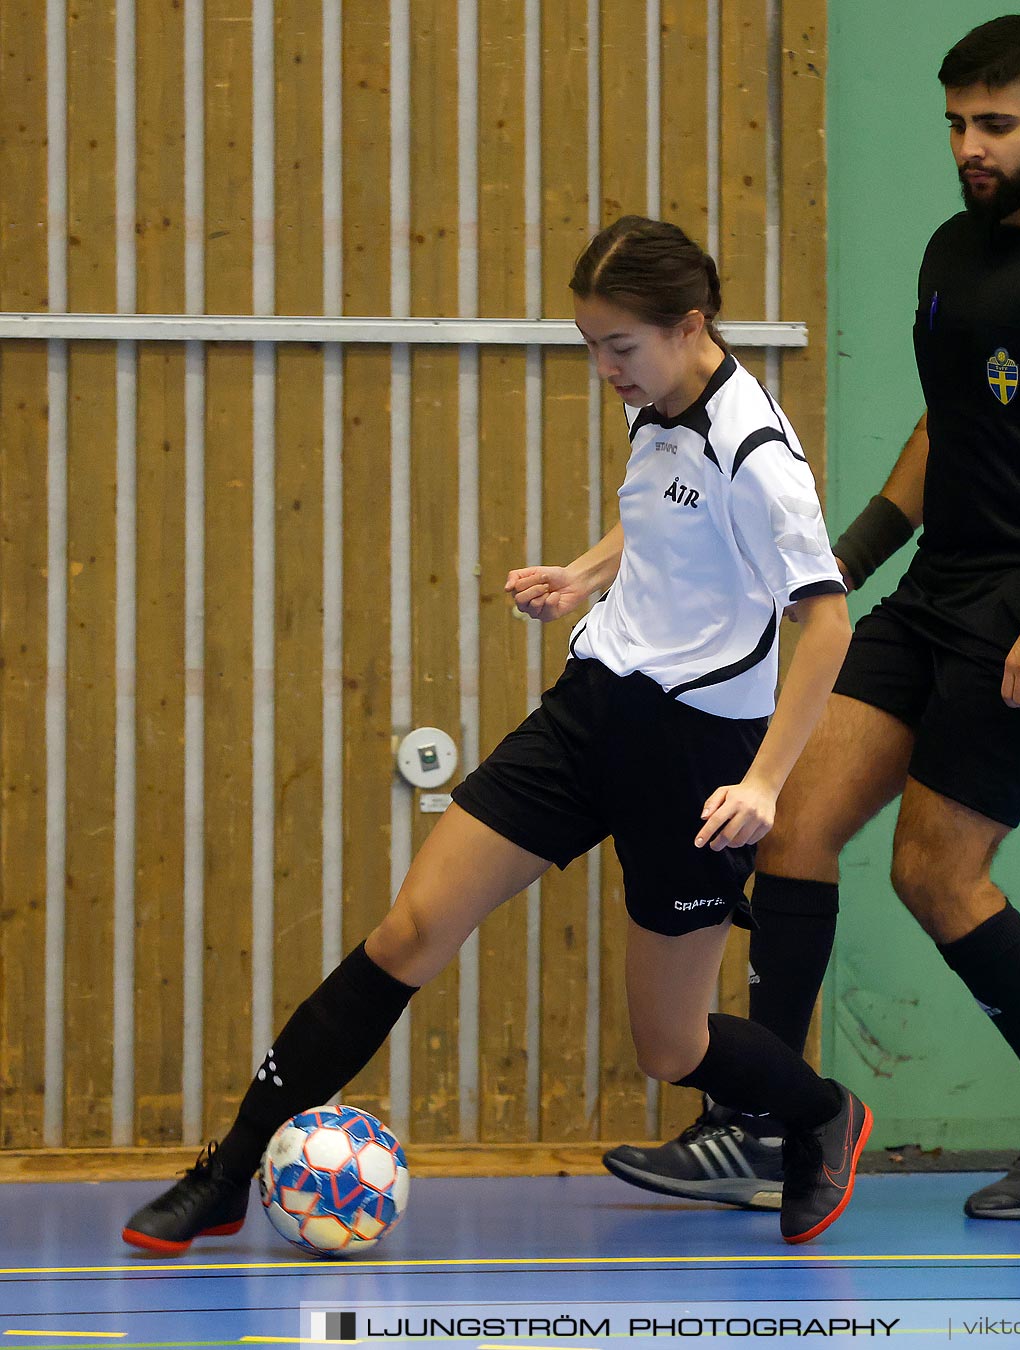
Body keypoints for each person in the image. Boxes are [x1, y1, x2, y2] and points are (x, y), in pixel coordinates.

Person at [121, 216, 870, 1251]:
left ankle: (823, 1114)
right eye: (590, 346)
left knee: (671, 1044)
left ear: (690, 324)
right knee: (408, 932)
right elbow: (662, 516)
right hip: (591, 713)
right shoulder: (658, 401)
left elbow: (825, 622)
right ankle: (224, 1173)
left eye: (620, 347)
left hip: (697, 761)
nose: (604, 369)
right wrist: (586, 574)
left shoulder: (759, 451)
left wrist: (769, 785)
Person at [604, 13, 1020, 1221]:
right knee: (789, 825)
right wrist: (833, 564)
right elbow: (943, 433)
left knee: (934, 870)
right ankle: (766, 1126)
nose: (971, 146)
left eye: (996, 124)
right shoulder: (951, 251)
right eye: (956, 125)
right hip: (936, 597)